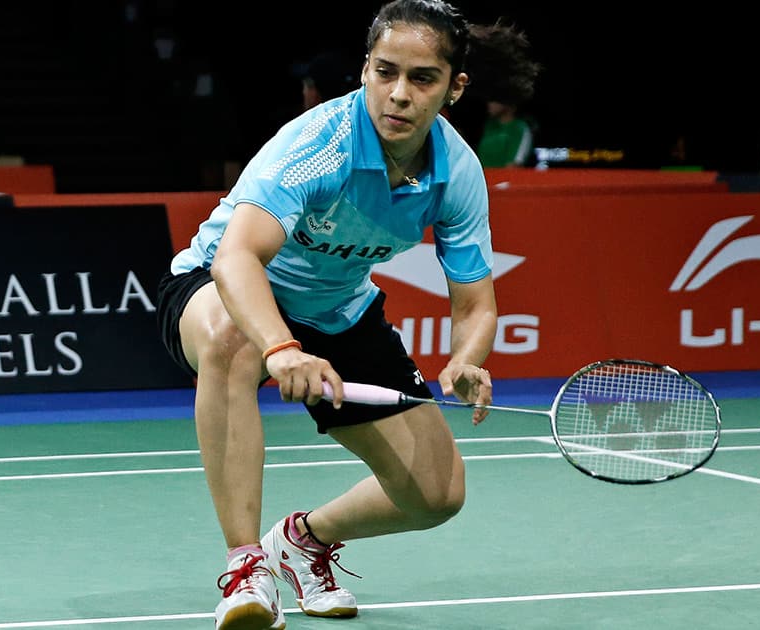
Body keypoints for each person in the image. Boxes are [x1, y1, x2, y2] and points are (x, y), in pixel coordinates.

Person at [155, 2, 539, 628]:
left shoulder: (456, 170)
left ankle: (304, 540)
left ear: (454, 87)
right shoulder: (317, 145)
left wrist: (468, 359)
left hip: (337, 309)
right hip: (220, 289)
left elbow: (473, 302)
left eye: (422, 79)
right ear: (364, 70)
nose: (399, 94)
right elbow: (236, 259)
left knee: (436, 494)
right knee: (233, 341)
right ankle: (246, 569)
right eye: (385, 71)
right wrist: (280, 349)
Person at [475, 99, 535, 167]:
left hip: (503, 177)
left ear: (509, 104)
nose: (489, 104)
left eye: (495, 100)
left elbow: (515, 165)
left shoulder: (519, 128)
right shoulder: (489, 125)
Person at [296, 51, 360, 111]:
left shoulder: (305, 122)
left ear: (314, 93)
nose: (303, 92)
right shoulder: (358, 118)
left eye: (306, 86)